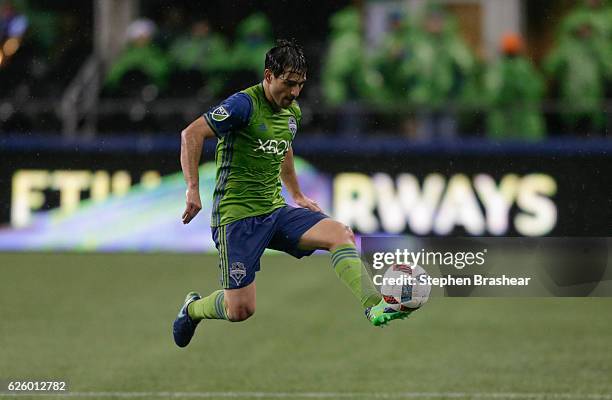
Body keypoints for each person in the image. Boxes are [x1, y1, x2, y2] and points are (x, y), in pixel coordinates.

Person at [173, 40, 409, 348]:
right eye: (289, 83)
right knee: (241, 309)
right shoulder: (243, 105)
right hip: (237, 217)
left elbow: (284, 147)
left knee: (339, 233)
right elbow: (191, 133)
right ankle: (192, 309)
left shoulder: (290, 111)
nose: (295, 92)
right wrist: (192, 189)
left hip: (275, 210)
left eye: (300, 85)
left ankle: (375, 305)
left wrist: (296, 194)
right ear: (269, 76)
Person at [484, 33, 545, 141]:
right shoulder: (525, 67)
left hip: (519, 122)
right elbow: (536, 91)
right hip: (512, 122)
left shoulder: (500, 68)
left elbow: (535, 91)